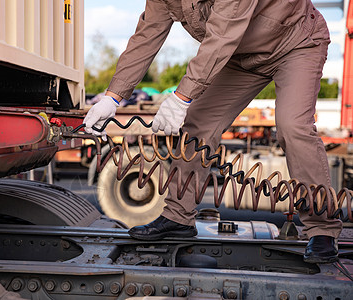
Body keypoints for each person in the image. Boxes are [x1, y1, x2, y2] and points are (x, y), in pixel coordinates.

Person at [83, 0, 342, 264]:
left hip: (294, 43)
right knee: (198, 123)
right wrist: (112, 98)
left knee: (293, 127)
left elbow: (221, 36)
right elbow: (147, 35)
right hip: (240, 56)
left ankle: (322, 229)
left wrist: (181, 97)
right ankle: (177, 218)